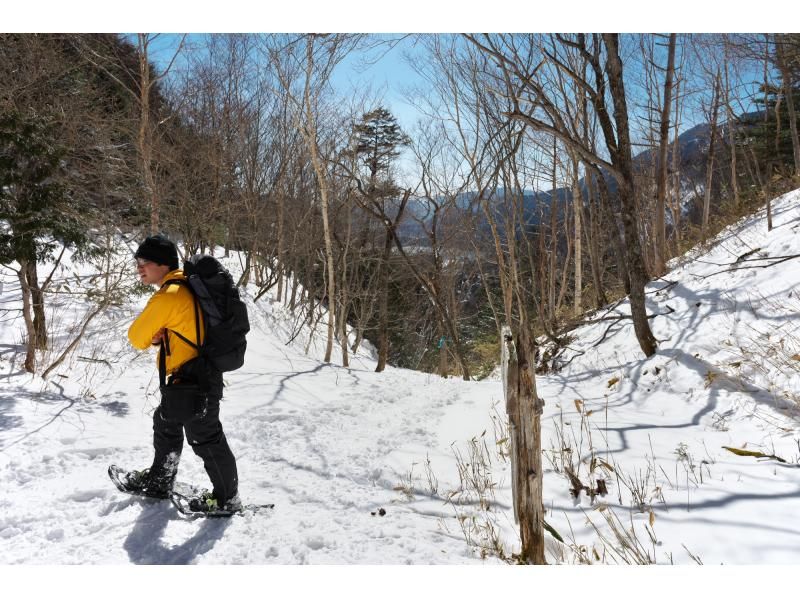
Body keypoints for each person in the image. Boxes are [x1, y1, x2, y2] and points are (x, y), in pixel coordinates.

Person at [122, 234, 240, 513]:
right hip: (190, 379)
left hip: (194, 381)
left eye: (144, 261)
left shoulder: (170, 295)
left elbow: (136, 337)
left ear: (163, 264)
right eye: (137, 261)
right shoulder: (187, 286)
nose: (139, 267)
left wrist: (151, 338)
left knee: (206, 438)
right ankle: (160, 480)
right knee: (165, 423)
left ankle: (227, 499)